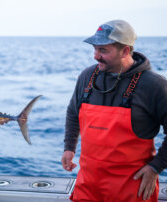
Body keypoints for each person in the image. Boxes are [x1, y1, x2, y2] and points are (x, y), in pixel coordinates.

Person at [61, 19, 167, 201]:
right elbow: (73, 113)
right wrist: (69, 148)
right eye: (94, 49)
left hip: (131, 188)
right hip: (88, 185)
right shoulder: (87, 77)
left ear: (125, 50)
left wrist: (156, 167)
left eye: (103, 50)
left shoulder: (154, 85)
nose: (95, 55)